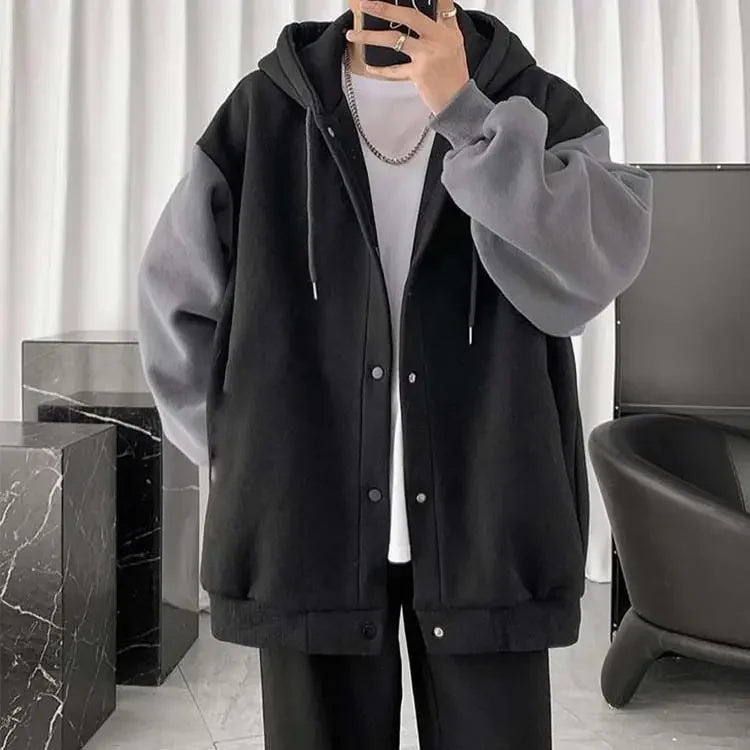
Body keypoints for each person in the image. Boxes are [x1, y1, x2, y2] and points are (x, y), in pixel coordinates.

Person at [136, 1, 653, 747]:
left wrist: (467, 113)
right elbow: (175, 300)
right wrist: (240, 453)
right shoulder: (264, 114)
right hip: (307, 527)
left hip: (491, 526)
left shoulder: (531, 101)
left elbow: (603, 260)